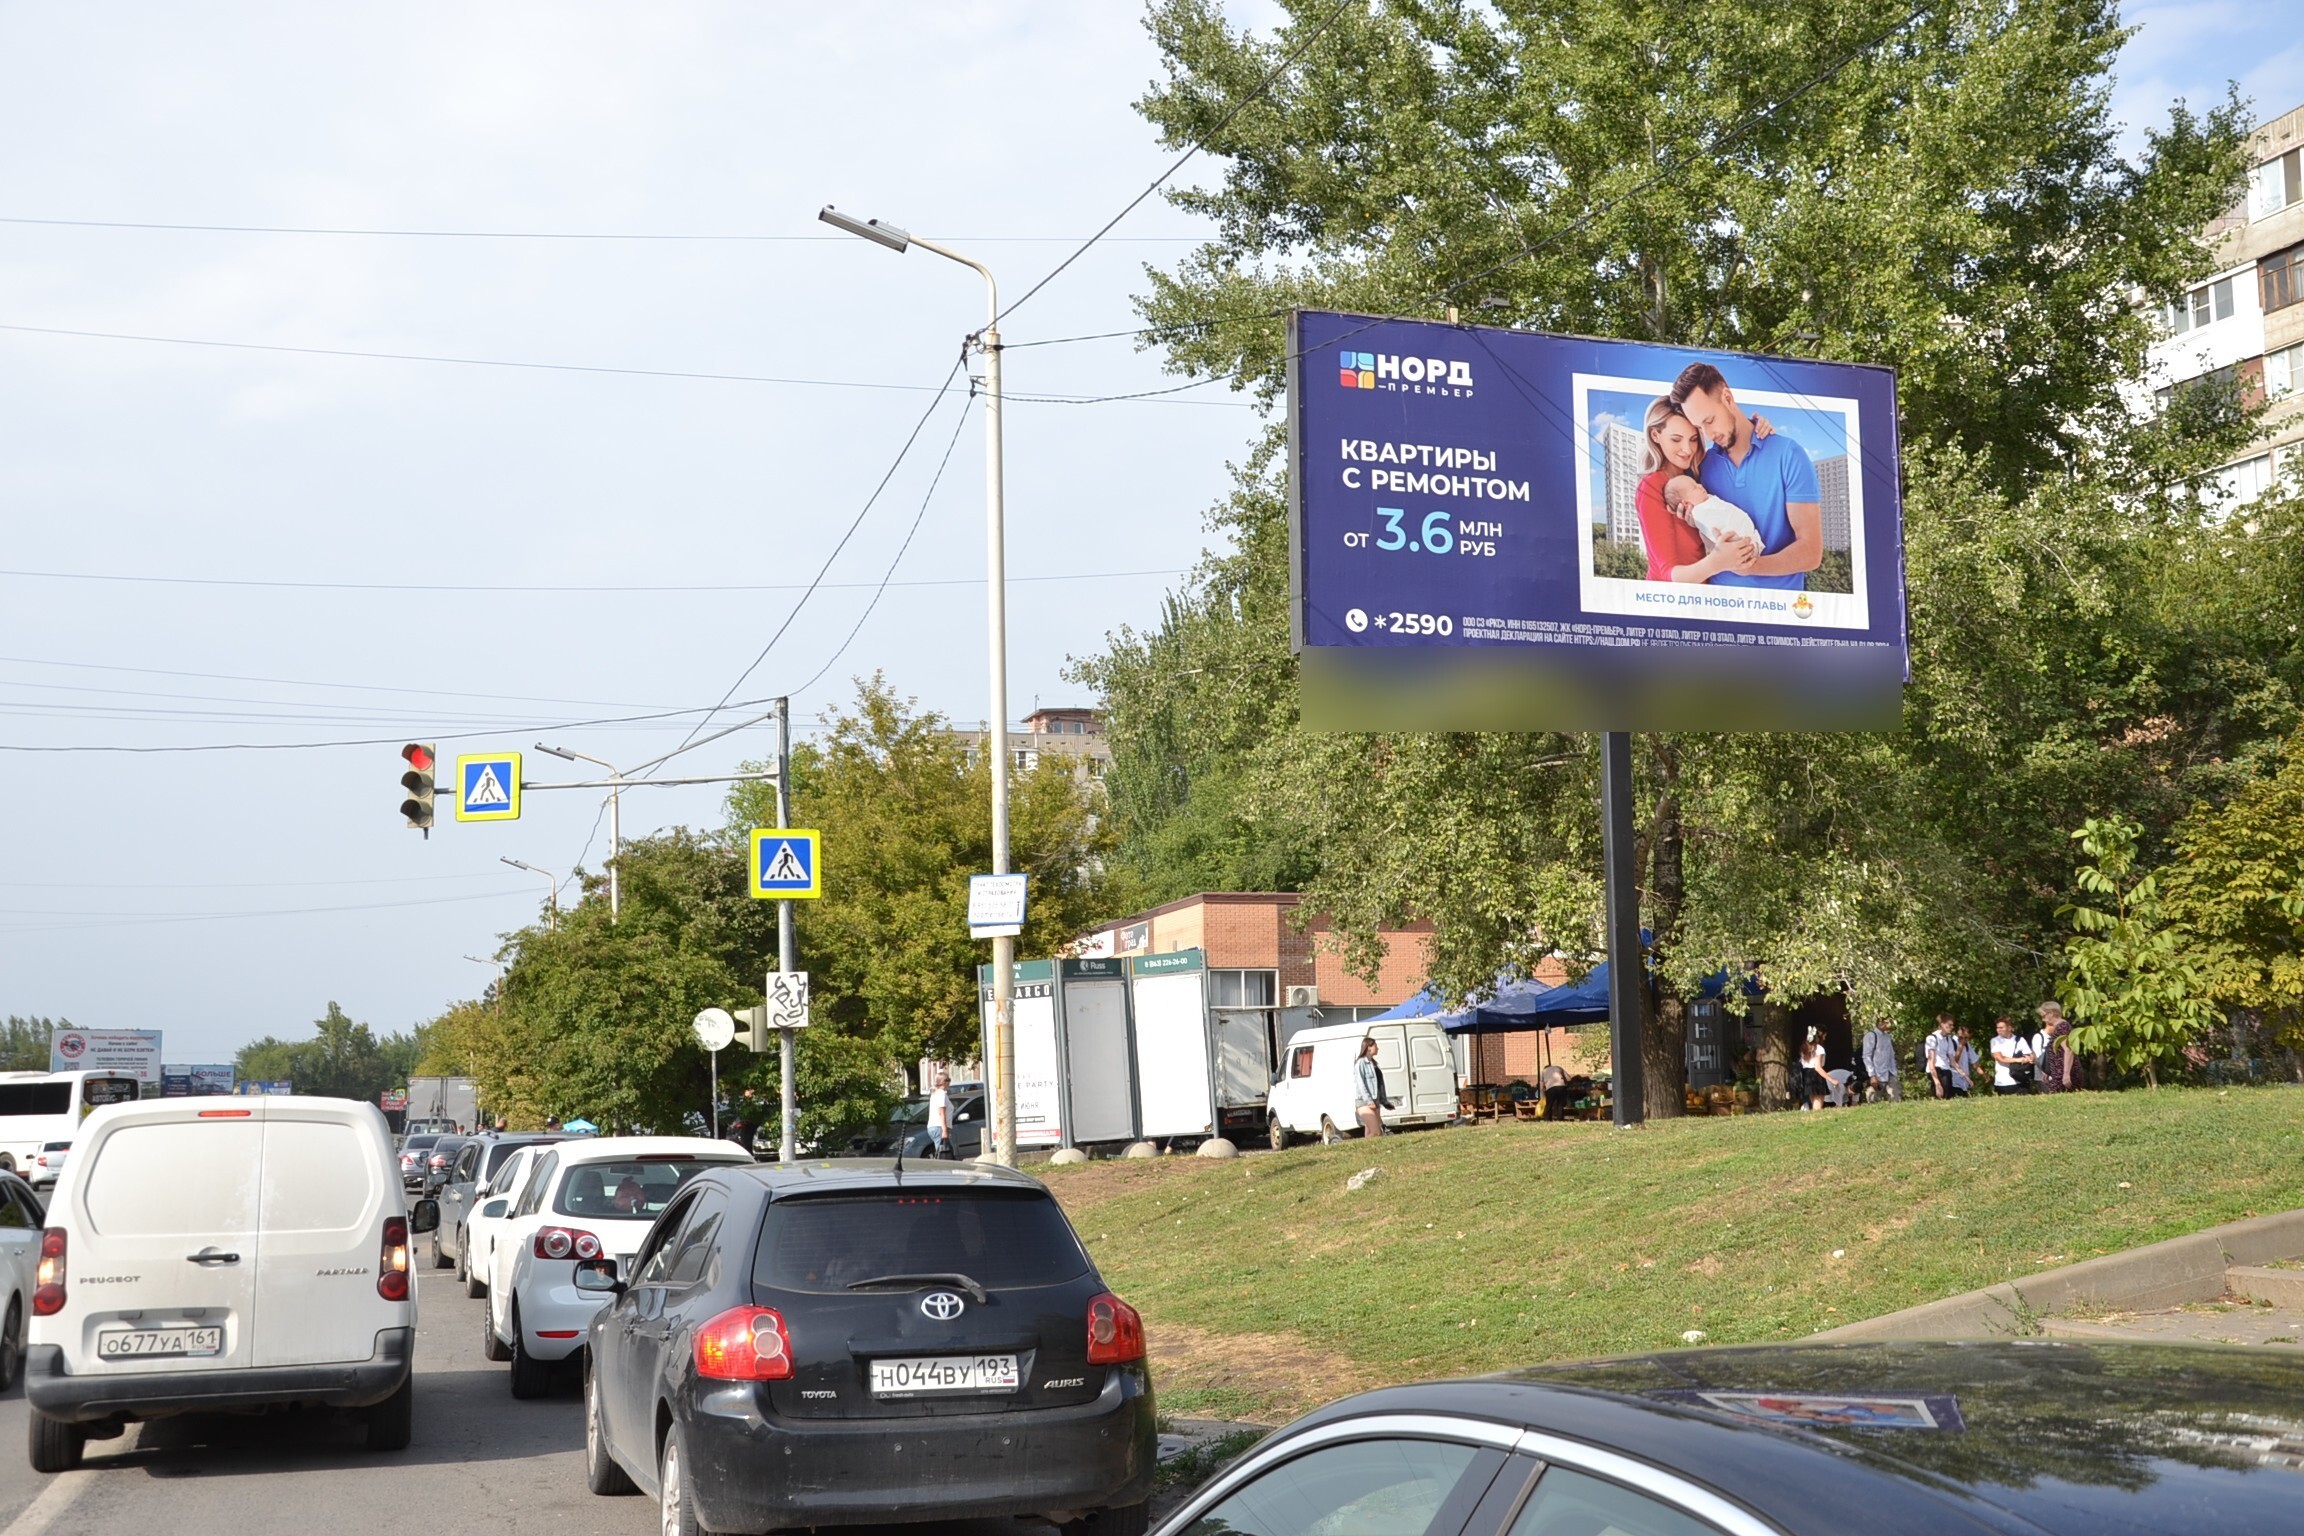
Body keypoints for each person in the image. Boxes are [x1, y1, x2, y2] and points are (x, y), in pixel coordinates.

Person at [1670, 362, 1825, 589]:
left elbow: (1811, 553)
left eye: (1709, 420)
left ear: (1728, 398)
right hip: (1719, 609)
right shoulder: (1702, 467)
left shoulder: (1788, 455)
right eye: (1699, 428)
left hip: (1780, 610)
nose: (1709, 434)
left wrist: (1750, 567)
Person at [1632, 398, 1765, 582]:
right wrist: (1717, 562)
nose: (1687, 449)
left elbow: (1738, 444)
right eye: (1676, 439)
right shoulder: (1652, 486)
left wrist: (1760, 428)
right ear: (1655, 435)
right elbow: (1667, 574)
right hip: (1667, 602)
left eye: (1693, 439)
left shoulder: (1699, 476)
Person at [1354, 1037, 1395, 1138]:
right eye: (1375, 1046)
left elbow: (1379, 1085)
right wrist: (1369, 1101)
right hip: (1364, 1103)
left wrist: (1384, 1102)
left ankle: (1367, 1152)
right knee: (1376, 1132)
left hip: (1375, 1102)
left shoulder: (1374, 1063)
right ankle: (1361, 1150)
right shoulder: (1361, 1063)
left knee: (1370, 1133)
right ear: (1368, 1047)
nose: (1378, 1048)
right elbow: (1361, 1084)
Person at [1988, 1017, 2035, 1096]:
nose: (1998, 1030)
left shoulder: (2020, 1040)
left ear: (2009, 1028)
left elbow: (2029, 1055)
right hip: (2003, 1081)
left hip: (2020, 1079)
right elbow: (2000, 1058)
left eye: (2001, 1028)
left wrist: (2030, 1058)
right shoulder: (1995, 1041)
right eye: (1997, 1028)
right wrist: (2018, 1060)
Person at [2035, 1002, 2074, 1093]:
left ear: (2051, 1013)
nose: (2043, 1020)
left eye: (2043, 1016)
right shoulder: (2059, 1027)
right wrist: (2049, 1071)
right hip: (2057, 1073)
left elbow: (2068, 1050)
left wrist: (2066, 1074)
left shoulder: (2062, 1027)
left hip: (2062, 1074)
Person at [1860, 1019, 1901, 1102]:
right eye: (1887, 1022)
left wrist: (1894, 1072)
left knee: (1895, 1098)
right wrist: (1872, 1075)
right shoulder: (1871, 1036)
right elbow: (1866, 1056)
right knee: (1874, 1100)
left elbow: (1891, 1055)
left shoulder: (1887, 1036)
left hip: (1890, 1072)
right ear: (1881, 1023)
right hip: (1877, 1074)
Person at [1924, 1015, 1963, 1099]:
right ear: (1942, 1024)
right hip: (1936, 1070)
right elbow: (1931, 1062)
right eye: (1949, 1025)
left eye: (1952, 1025)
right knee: (1940, 1096)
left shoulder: (1948, 1039)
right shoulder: (1932, 1038)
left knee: (1948, 1096)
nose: (1952, 1027)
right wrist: (1937, 1083)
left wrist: (1965, 1077)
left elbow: (1952, 1061)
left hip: (1946, 1070)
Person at [1796, 1029, 1830, 1111]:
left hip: (1806, 1075)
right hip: (1816, 1076)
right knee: (1818, 1105)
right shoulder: (1819, 1048)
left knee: (1813, 1102)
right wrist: (1831, 1079)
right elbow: (1818, 1067)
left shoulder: (1804, 1048)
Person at [927, 1070, 954, 1159]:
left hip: (934, 1126)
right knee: (943, 1153)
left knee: (941, 1150)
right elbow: (942, 1113)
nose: (949, 1082)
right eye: (948, 1080)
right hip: (939, 1127)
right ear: (944, 1082)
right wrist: (945, 1131)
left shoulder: (935, 1093)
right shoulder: (941, 1094)